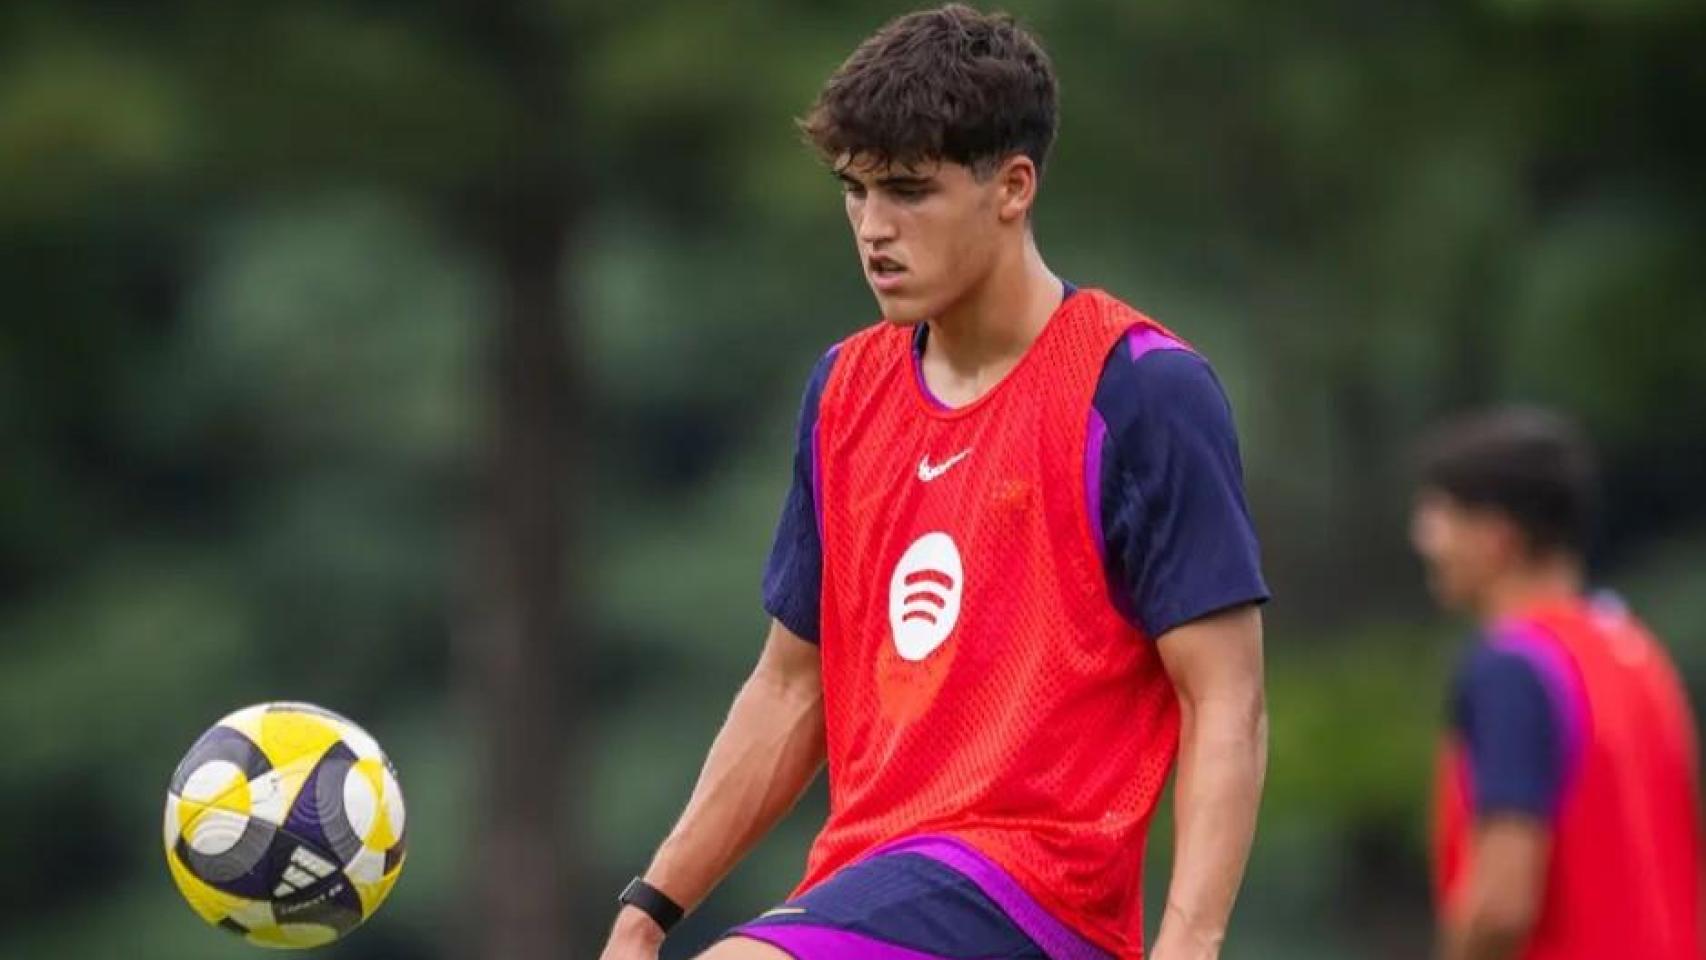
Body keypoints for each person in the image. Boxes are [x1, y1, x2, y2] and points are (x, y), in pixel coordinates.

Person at [597, 6, 1270, 958]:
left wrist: (1190, 944)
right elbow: (790, 691)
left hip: (1037, 906)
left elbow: (1225, 701)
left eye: (908, 191)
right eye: (855, 191)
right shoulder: (844, 392)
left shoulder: (1142, 390)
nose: (874, 228)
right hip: (871, 887)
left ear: (1013, 187)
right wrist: (649, 909)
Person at [1411, 408, 1702, 960]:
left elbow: (1501, 903)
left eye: (1440, 515)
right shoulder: (1639, 655)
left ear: (1497, 537)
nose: (1424, 538)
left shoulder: (1512, 667)